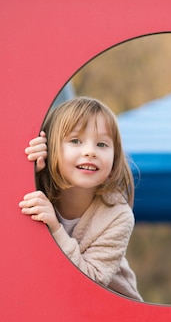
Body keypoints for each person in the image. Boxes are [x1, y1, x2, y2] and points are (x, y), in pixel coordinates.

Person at [19, 96, 143, 301]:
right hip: (52, 299)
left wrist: (55, 229)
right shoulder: (36, 190)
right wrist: (30, 172)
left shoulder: (117, 216)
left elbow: (91, 281)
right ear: (50, 149)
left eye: (102, 144)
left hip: (111, 309)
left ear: (114, 162)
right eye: (76, 141)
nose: (90, 152)